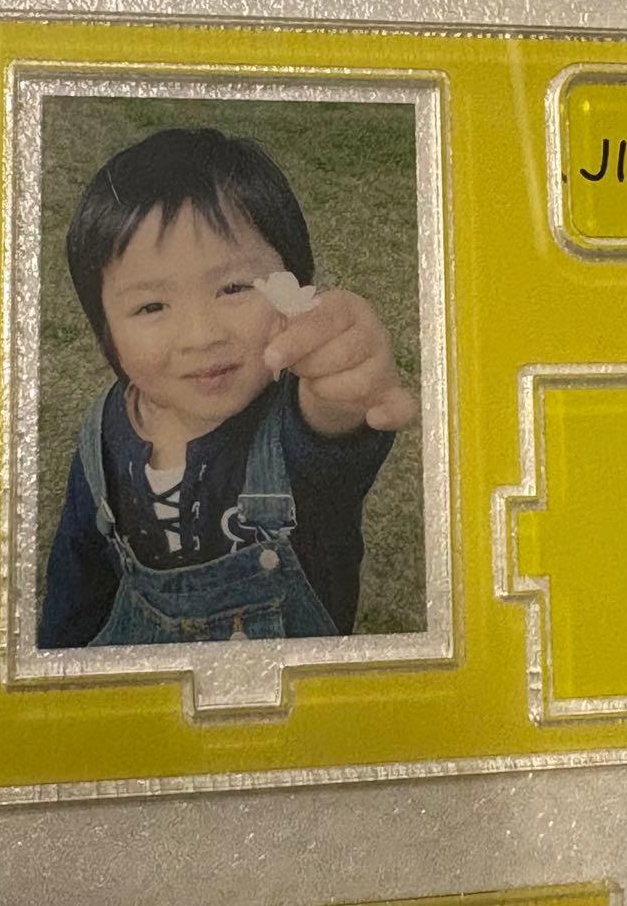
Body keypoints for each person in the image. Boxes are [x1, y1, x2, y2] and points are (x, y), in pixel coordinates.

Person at [37, 127, 416, 647]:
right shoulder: (99, 438)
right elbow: (77, 582)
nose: (202, 336)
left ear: (296, 290)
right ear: (106, 333)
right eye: (151, 306)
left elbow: (332, 432)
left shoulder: (296, 429)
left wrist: (342, 392)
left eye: (234, 288)